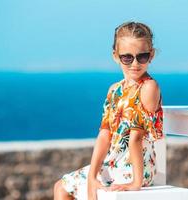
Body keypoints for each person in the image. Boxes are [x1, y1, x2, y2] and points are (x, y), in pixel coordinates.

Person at [53, 21, 164, 200]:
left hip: (135, 168)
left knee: (66, 188)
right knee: (61, 187)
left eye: (141, 56)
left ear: (151, 55)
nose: (135, 63)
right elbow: (105, 135)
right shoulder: (114, 90)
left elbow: (136, 138)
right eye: (127, 57)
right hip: (113, 162)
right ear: (115, 56)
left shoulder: (149, 87)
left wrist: (135, 183)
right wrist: (92, 176)